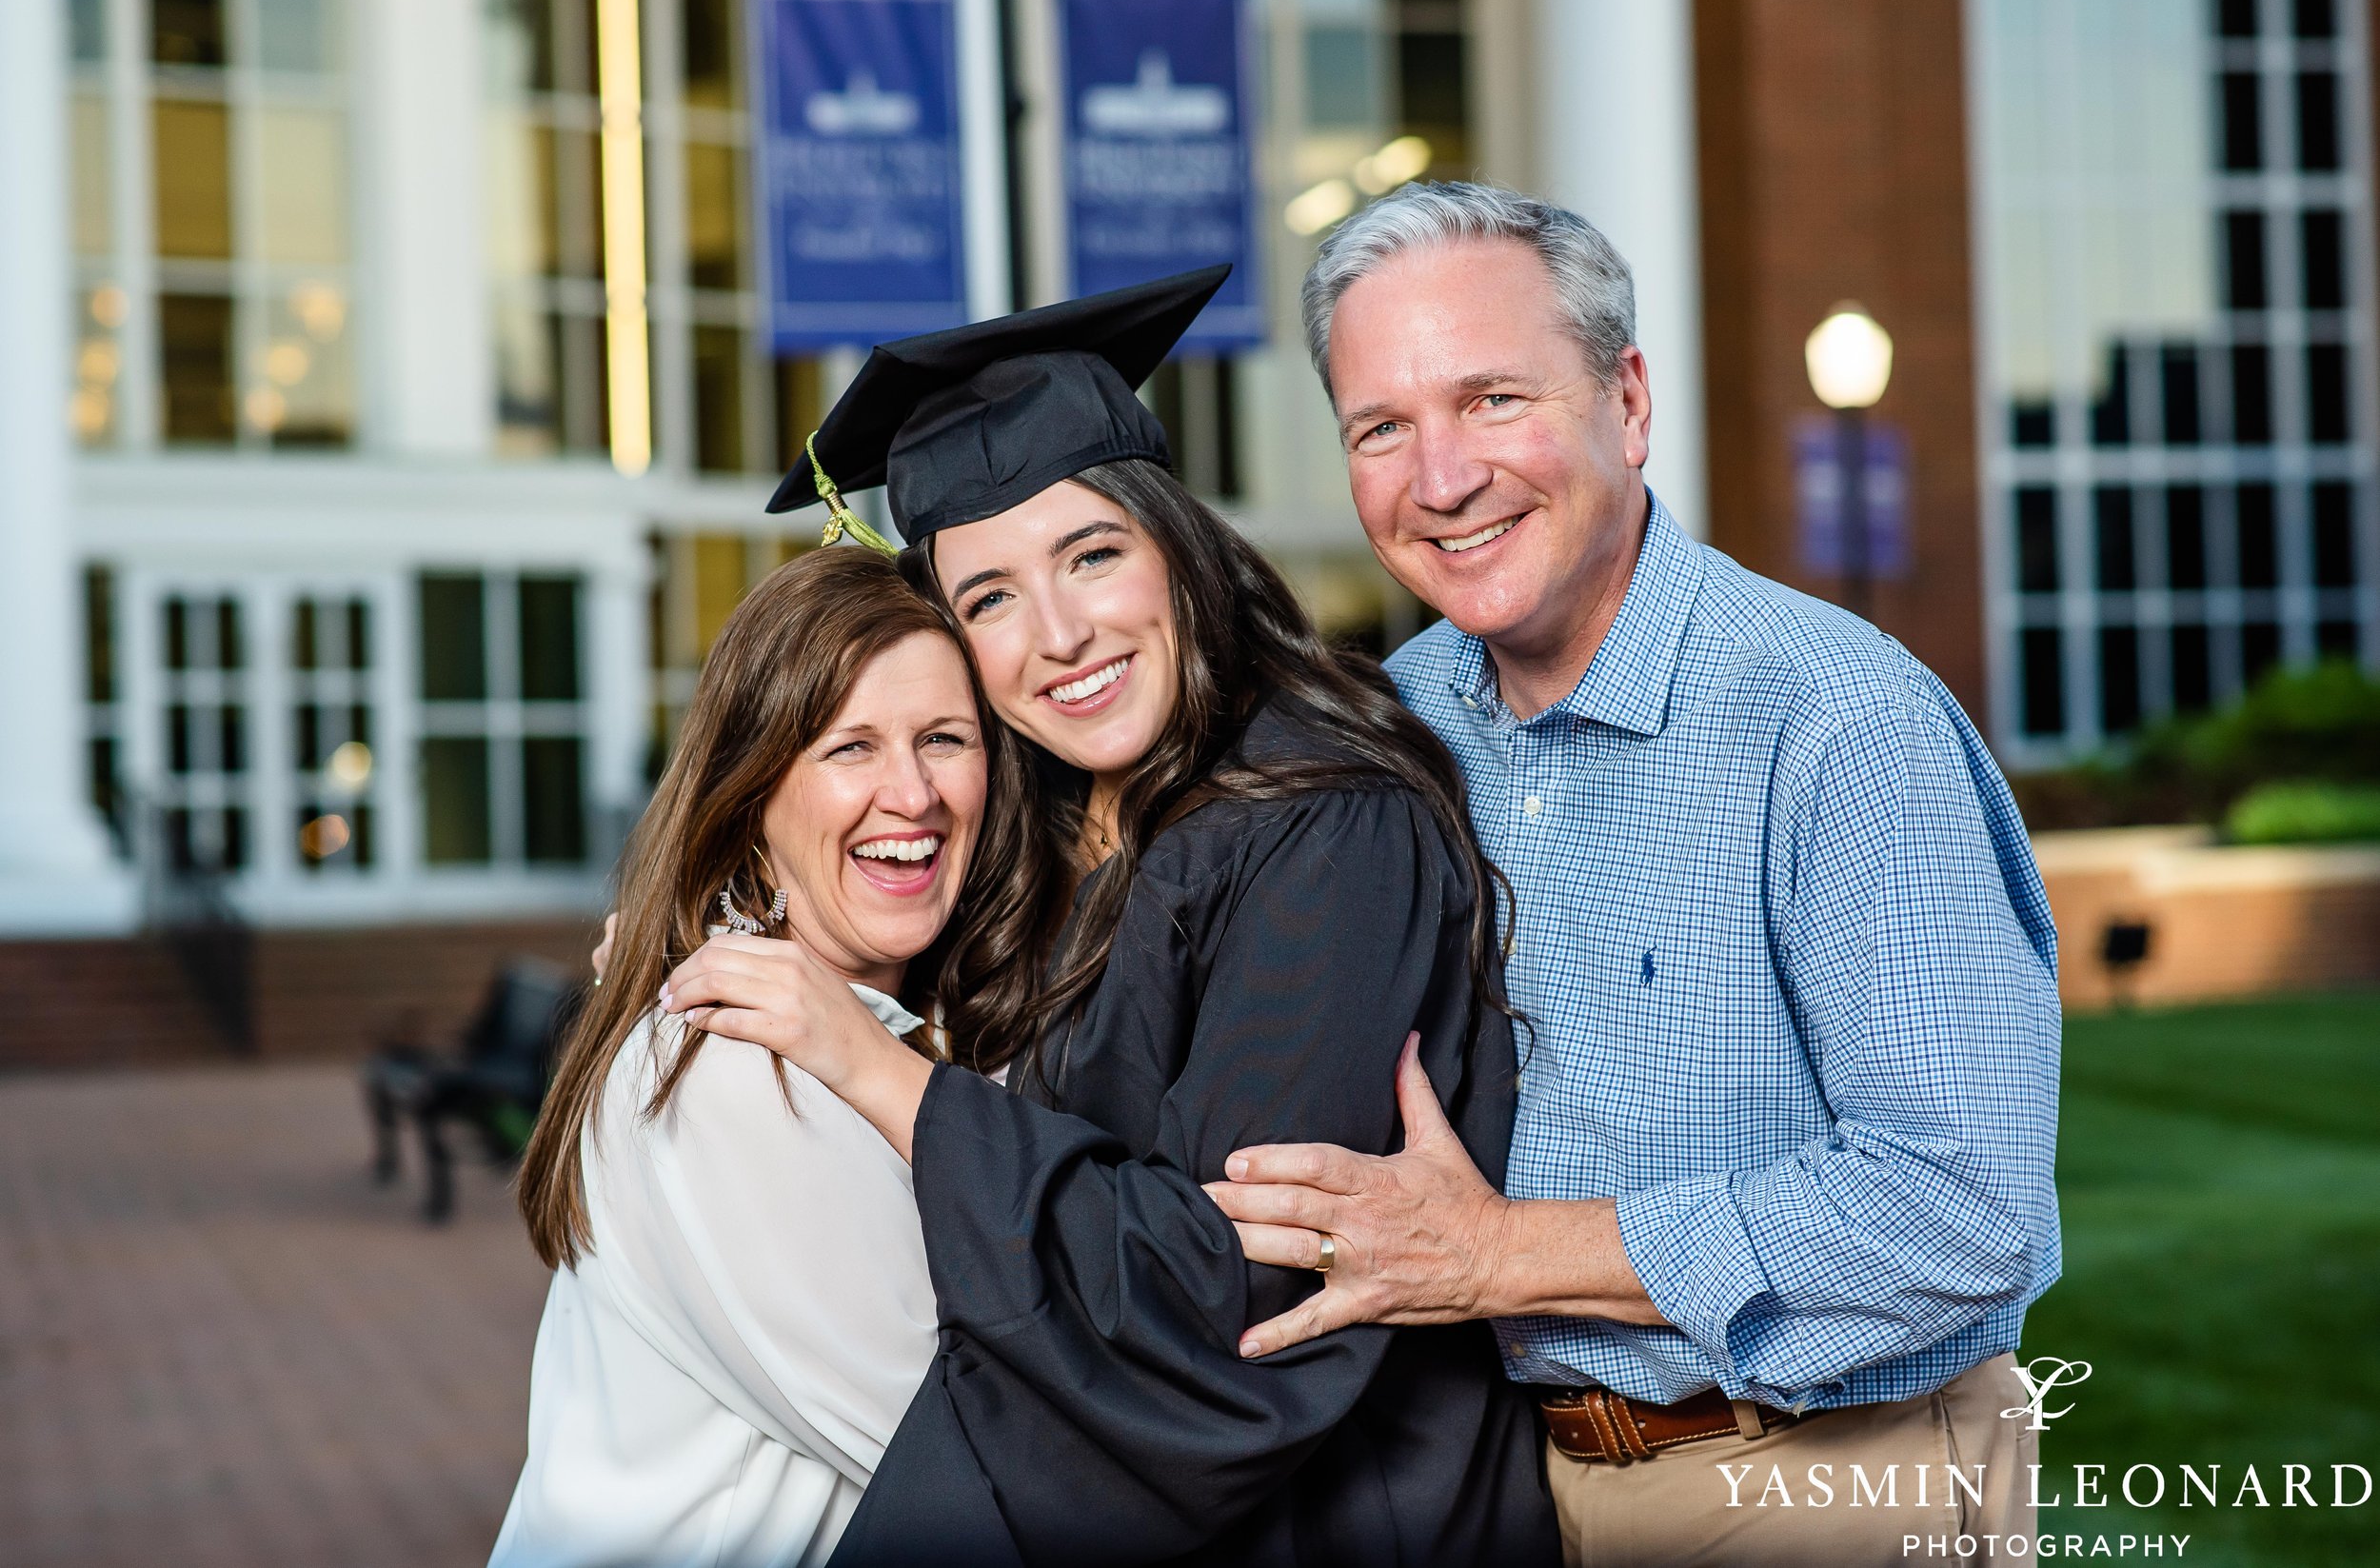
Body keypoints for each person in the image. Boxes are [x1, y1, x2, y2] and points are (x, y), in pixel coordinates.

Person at [1204, 182, 2064, 1566]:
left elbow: (1960, 1207)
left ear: (1629, 402)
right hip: (1506, 1490)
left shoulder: (1835, 719)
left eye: (1494, 400)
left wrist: (1497, 1257)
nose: (1441, 479)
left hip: (1822, 1479)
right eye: (1383, 427)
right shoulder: (1390, 730)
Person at [655, 268, 1557, 1567]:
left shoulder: (1325, 831)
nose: (1062, 633)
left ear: (1173, 545)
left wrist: (878, 1074)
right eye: (991, 599)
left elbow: (1229, 1299)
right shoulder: (1060, 835)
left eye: (1091, 555)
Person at [491, 548, 1046, 1568]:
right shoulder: (726, 1071)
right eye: (850, 748)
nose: (912, 793)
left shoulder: (881, 1030)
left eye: (944, 739)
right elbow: (1000, 1451)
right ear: (752, 792)